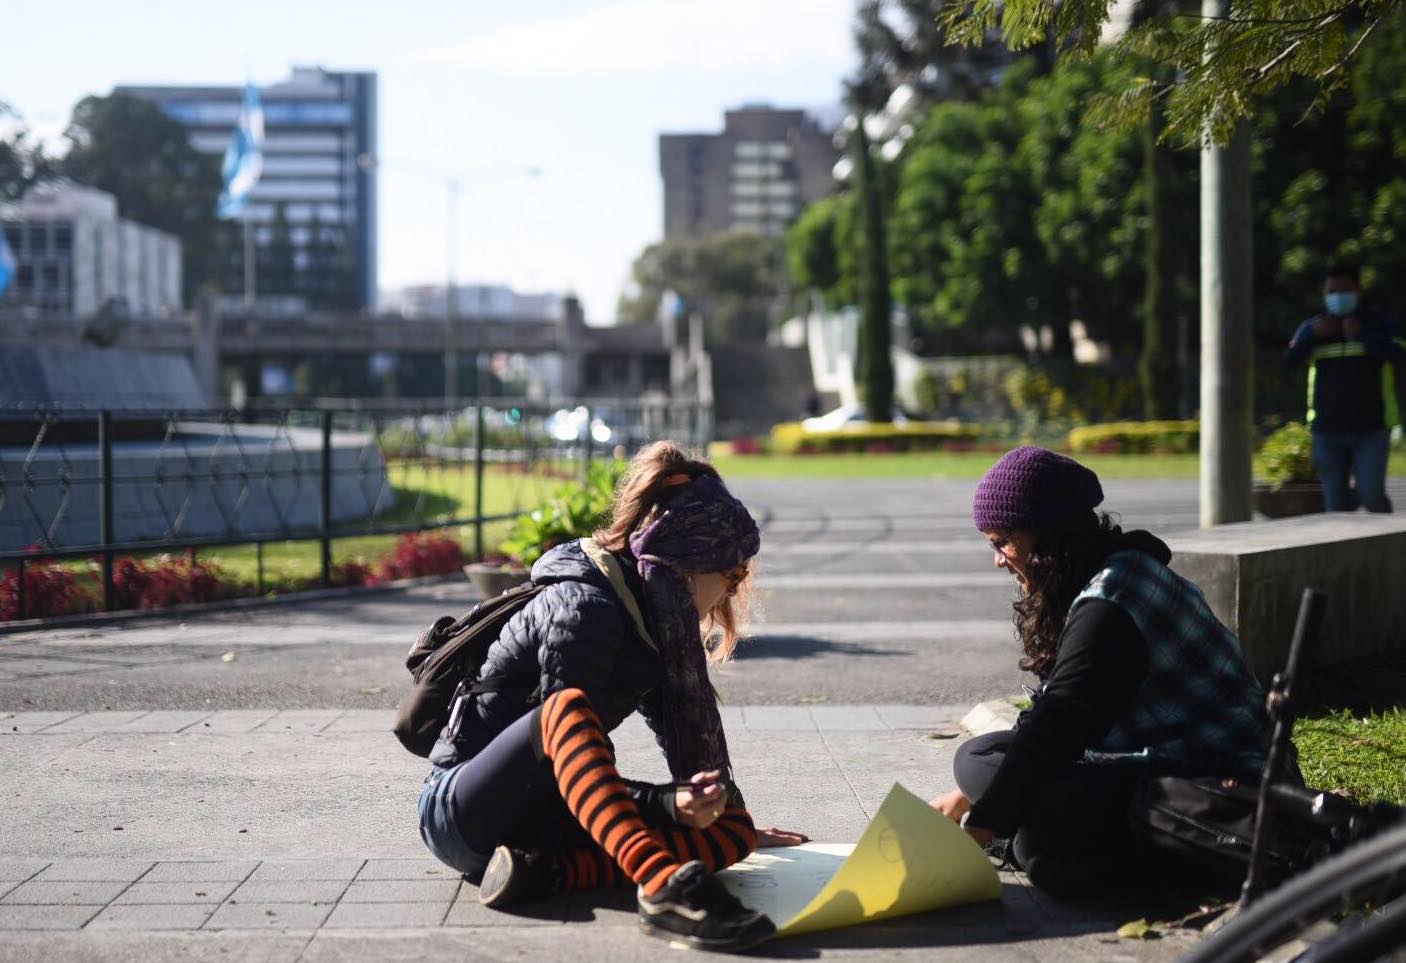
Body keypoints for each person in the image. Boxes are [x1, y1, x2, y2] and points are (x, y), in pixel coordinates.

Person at [416, 441, 804, 952]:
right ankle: (663, 889)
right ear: (688, 562)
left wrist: (717, 809)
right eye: (731, 574)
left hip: (539, 817)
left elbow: (674, 734)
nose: (733, 592)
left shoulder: (650, 612)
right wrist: (666, 806)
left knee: (734, 830)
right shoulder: (586, 606)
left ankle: (545, 874)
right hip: (462, 809)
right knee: (566, 710)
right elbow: (559, 755)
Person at [930, 447, 1275, 896]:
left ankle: (1171, 867)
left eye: (1003, 541)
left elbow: (1060, 725)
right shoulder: (1109, 570)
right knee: (978, 759)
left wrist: (976, 830)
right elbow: (1052, 716)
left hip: (1212, 786)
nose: (998, 558)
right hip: (1158, 762)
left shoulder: (1111, 604)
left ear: (1047, 536)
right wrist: (973, 799)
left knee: (1040, 842)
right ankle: (1037, 837)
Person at [1284, 262, 1404, 512]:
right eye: (1332, 291)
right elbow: (1288, 364)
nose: (1338, 297)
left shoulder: (1379, 323)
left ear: (1358, 291)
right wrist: (1311, 338)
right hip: (1328, 430)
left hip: (1370, 427)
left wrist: (1364, 335)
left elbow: (1399, 356)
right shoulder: (1312, 328)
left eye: (1344, 290)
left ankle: (1389, 547)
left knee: (1371, 496)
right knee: (1336, 506)